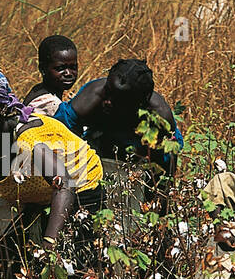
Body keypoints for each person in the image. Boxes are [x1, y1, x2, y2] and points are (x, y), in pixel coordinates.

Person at [0, 70, 103, 279]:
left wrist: (49, 245)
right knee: (4, 274)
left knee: (74, 272)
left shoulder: (29, 139)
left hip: (80, 189)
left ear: (2, 108)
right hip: (36, 196)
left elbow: (64, 186)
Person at [55, 58, 182, 224]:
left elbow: (165, 174)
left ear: (139, 104)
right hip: (97, 155)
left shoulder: (158, 118)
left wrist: (157, 217)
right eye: (107, 91)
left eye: (118, 100)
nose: (107, 100)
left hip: (136, 170)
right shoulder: (91, 98)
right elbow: (58, 134)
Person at [24, 35, 79, 117]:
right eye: (60, 68)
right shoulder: (48, 103)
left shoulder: (40, 89)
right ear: (43, 69)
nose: (68, 73)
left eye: (73, 67)